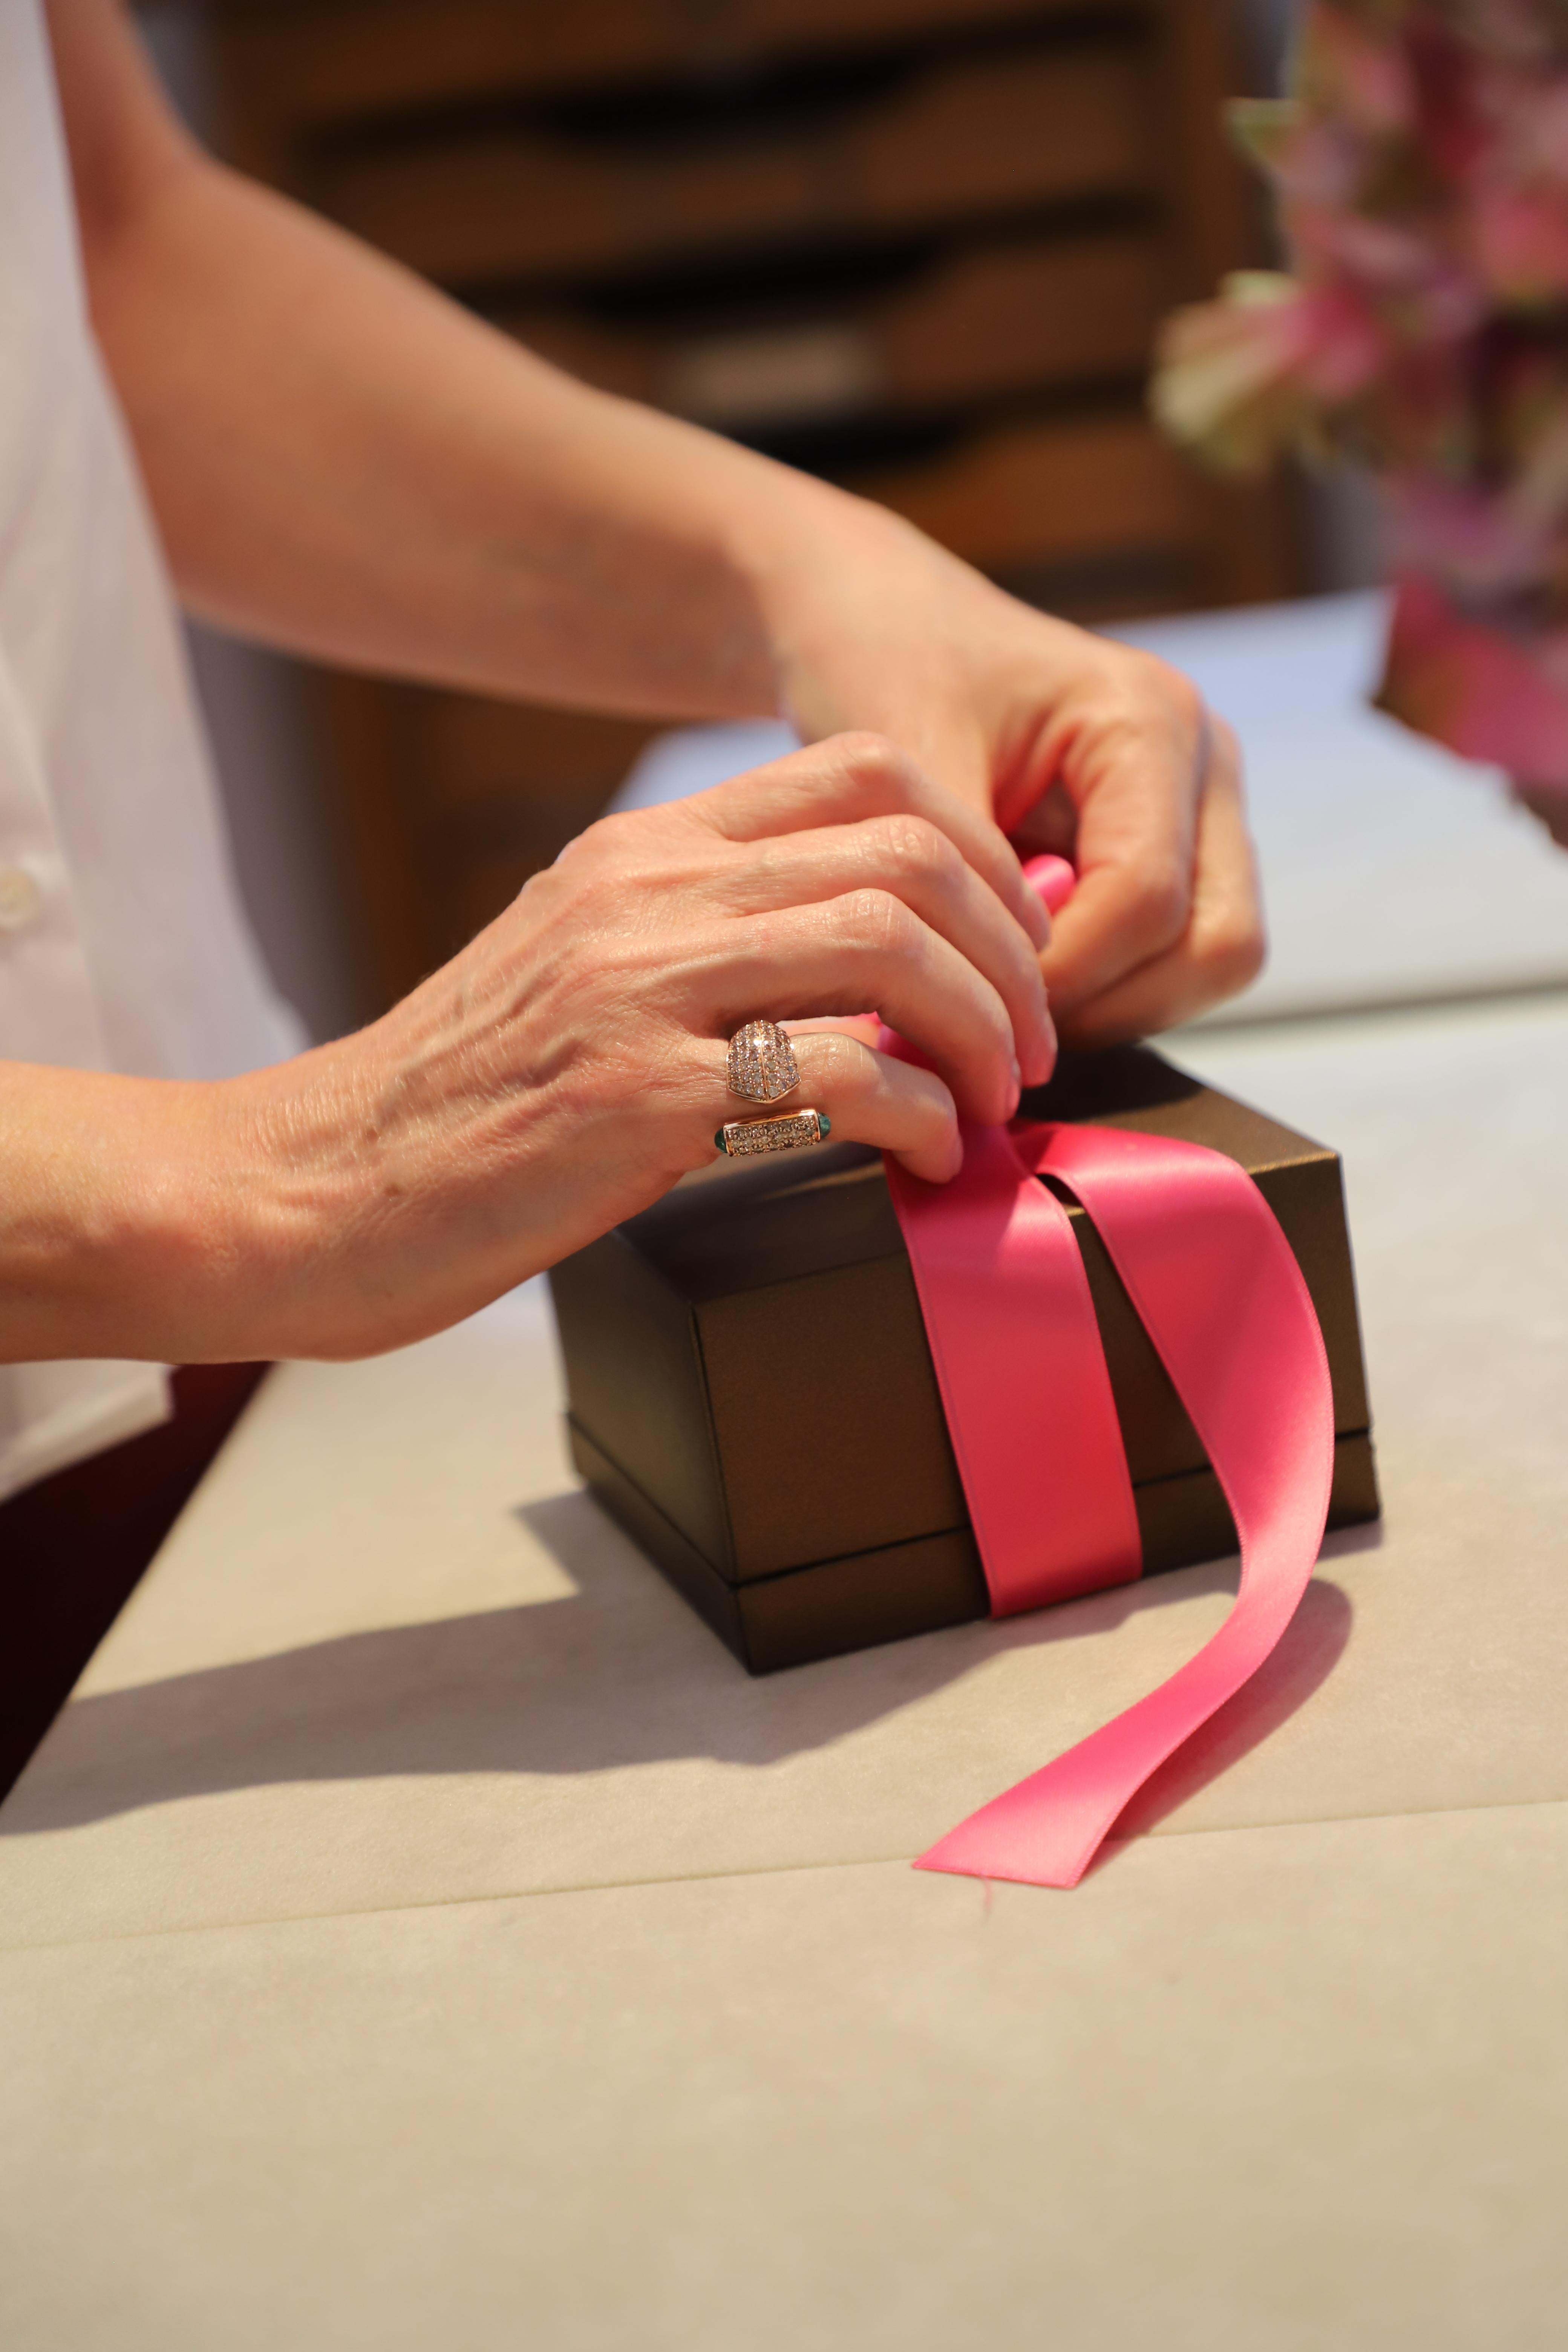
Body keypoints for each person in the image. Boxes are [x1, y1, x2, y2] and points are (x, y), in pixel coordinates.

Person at [2, 0, 1262, 1495]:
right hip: (201, 1246)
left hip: (210, 1357)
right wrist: (279, 1173)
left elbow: (105, 251)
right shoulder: (263, 1208)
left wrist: (813, 573)